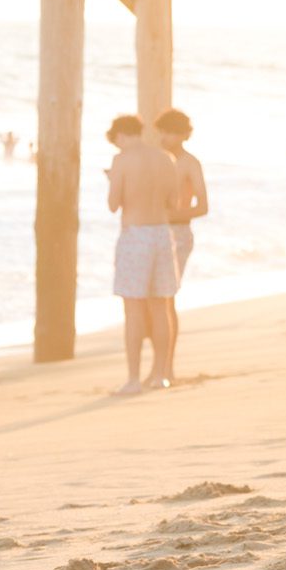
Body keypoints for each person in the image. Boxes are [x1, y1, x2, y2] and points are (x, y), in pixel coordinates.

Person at [106, 114, 185, 395]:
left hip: (136, 234)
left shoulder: (122, 161)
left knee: (134, 308)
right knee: (160, 305)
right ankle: (162, 374)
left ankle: (133, 378)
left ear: (121, 136)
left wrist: (112, 179)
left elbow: (113, 204)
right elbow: (172, 202)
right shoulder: (166, 159)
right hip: (162, 233)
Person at [154, 108, 209, 379]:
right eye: (163, 131)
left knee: (166, 299)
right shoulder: (156, 159)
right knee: (153, 300)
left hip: (178, 233)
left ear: (185, 134)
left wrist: (169, 215)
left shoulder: (189, 163)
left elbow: (203, 207)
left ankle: (167, 369)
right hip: (153, 232)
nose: (166, 137)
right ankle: (158, 368)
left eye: (172, 132)